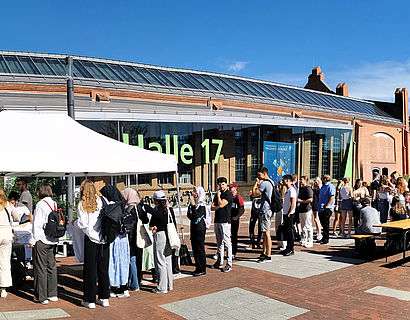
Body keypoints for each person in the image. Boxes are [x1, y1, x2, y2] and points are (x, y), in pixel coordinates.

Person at [77, 180, 110, 309]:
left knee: (90, 271)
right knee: (103, 269)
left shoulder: (82, 204)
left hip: (90, 239)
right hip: (103, 238)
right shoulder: (102, 201)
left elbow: (83, 224)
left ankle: (89, 299)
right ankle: (104, 297)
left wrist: (75, 224)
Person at [28, 183, 59, 304]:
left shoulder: (40, 205)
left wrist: (32, 240)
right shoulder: (54, 203)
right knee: (51, 266)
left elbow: (36, 224)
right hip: (53, 238)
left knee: (40, 267)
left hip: (41, 239)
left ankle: (41, 296)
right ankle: (52, 293)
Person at [99, 185, 130, 298]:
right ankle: (124, 286)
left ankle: (115, 287)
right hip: (124, 238)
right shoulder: (122, 205)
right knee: (124, 263)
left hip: (114, 239)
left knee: (114, 263)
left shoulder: (111, 207)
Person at [148, 190, 176, 293]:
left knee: (160, 261)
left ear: (157, 201)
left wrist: (154, 228)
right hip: (170, 235)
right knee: (168, 261)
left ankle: (162, 287)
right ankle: (169, 284)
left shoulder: (157, 212)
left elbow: (151, 226)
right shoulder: (170, 210)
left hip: (160, 235)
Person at [123, 188, 149, 291]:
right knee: (139, 259)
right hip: (139, 237)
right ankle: (138, 279)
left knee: (131, 259)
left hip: (130, 238)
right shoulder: (139, 208)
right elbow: (146, 220)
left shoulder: (126, 209)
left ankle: (134, 283)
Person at [0, 188, 20, 298]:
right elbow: (17, 218)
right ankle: (3, 288)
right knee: (5, 262)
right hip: (7, 234)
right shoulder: (8, 204)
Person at [251, 167, 274, 263]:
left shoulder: (265, 183)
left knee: (266, 233)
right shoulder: (271, 182)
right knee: (264, 233)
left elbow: (254, 193)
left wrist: (256, 183)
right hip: (268, 209)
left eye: (260, 175)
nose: (258, 177)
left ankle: (268, 255)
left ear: (264, 173)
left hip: (266, 210)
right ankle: (264, 252)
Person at [211, 177, 233, 272]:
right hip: (217, 220)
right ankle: (219, 261)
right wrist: (217, 205)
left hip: (225, 221)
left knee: (227, 242)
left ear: (226, 184)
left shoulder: (228, 194)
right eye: (219, 184)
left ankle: (229, 263)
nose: (221, 186)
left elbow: (221, 204)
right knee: (219, 242)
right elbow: (212, 207)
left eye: (223, 184)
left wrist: (219, 197)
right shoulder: (217, 194)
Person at [187, 186, 206, 277]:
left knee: (199, 249)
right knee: (195, 249)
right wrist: (191, 205)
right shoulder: (194, 204)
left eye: (194, 192)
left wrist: (193, 206)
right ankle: (198, 267)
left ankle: (202, 269)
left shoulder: (202, 205)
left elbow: (197, 216)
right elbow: (189, 215)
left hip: (199, 229)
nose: (193, 193)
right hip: (194, 229)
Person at [317, 175, 336, 245]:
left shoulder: (330, 186)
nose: (321, 179)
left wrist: (327, 205)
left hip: (327, 208)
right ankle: (324, 237)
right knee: (323, 223)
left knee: (326, 223)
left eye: (322, 178)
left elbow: (332, 196)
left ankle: (326, 238)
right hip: (321, 207)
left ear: (325, 179)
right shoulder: (323, 186)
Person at [281, 175, 297, 256]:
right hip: (286, 213)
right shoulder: (287, 190)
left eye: (283, 180)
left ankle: (291, 248)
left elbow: (293, 202)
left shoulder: (292, 190)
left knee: (289, 231)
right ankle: (287, 247)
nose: (282, 181)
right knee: (286, 231)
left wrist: (289, 213)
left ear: (287, 180)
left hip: (289, 214)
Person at [297, 176, 314, 248]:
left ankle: (310, 240)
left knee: (308, 225)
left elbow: (310, 199)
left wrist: (301, 201)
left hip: (307, 209)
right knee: (302, 225)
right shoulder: (300, 189)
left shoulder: (308, 189)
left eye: (301, 179)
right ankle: (304, 239)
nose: (300, 181)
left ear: (305, 180)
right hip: (301, 209)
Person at [229, 182, 244, 259]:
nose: (229, 189)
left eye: (231, 187)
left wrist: (237, 217)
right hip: (228, 218)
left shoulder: (238, 197)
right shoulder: (228, 196)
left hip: (234, 219)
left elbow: (242, 209)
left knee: (234, 236)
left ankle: (234, 252)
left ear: (235, 188)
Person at [311, 177, 323, 241]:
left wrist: (318, 184)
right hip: (314, 204)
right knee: (315, 219)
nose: (315, 183)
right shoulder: (314, 188)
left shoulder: (320, 188)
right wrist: (312, 186)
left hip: (317, 204)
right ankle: (318, 232)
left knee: (316, 219)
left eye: (317, 181)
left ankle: (319, 233)